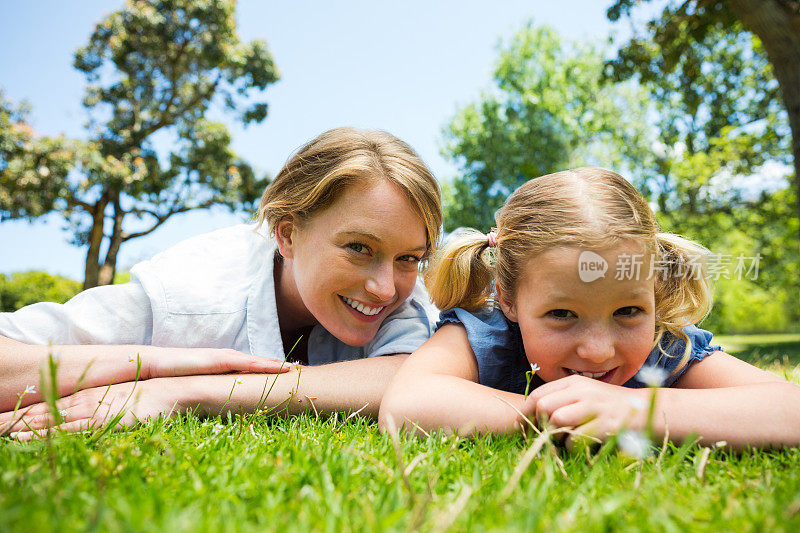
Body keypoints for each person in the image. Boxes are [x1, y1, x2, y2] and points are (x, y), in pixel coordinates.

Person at [1, 127, 442, 439]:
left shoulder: (403, 297)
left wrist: (183, 391)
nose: (386, 288)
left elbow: (414, 380)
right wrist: (151, 364)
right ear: (287, 234)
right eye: (359, 248)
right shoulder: (191, 294)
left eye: (409, 258)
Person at [379, 167, 800, 449]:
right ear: (508, 299)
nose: (598, 350)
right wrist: (551, 417)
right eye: (562, 315)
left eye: (628, 312)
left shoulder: (665, 349)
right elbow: (406, 404)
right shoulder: (483, 335)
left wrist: (634, 412)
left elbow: (790, 410)